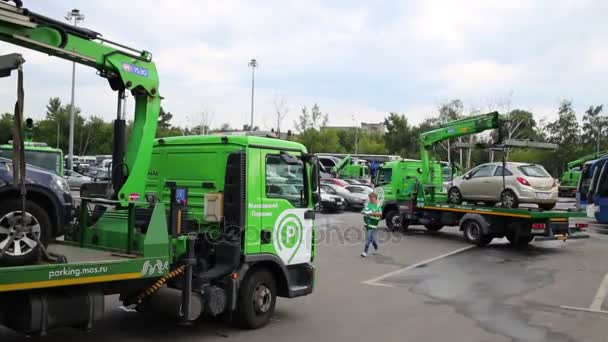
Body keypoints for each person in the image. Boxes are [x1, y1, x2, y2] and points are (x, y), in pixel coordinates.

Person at [361, 192, 382, 257]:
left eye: (371, 198)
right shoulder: (368, 204)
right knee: (371, 238)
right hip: (367, 223)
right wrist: (364, 212)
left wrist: (372, 213)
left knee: (368, 238)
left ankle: (365, 251)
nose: (370, 199)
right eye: (369, 198)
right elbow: (362, 211)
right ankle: (375, 245)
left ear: (375, 198)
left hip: (373, 224)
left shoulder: (378, 205)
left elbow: (380, 214)